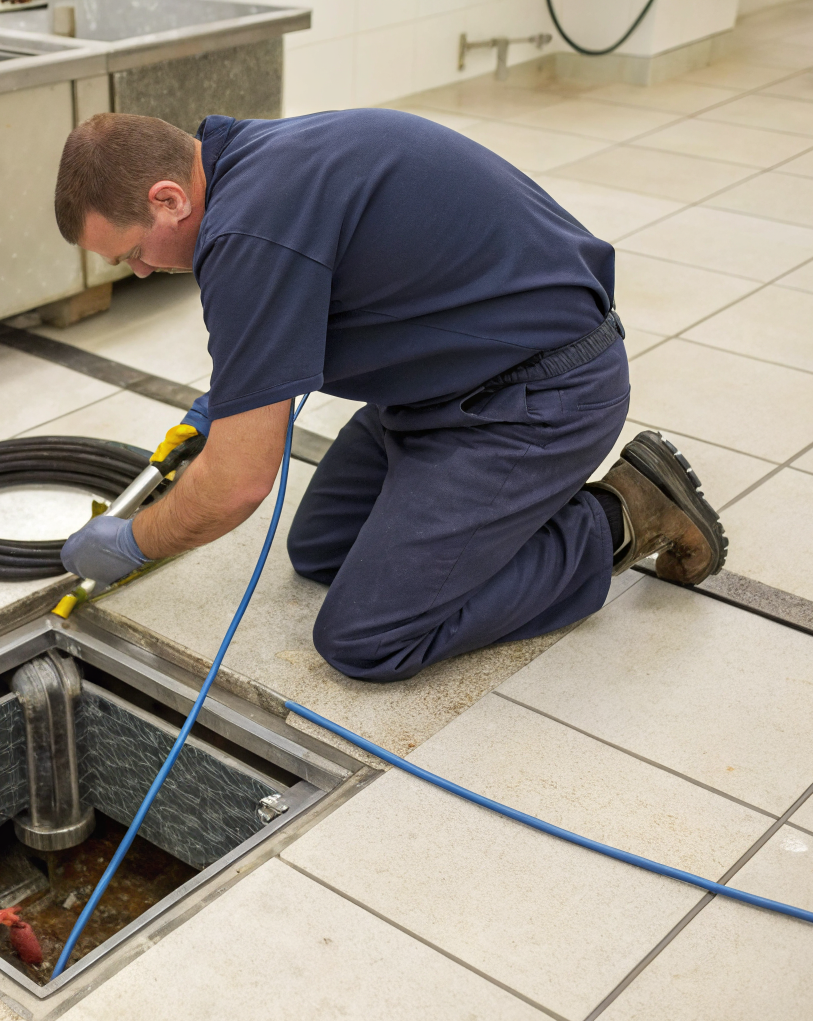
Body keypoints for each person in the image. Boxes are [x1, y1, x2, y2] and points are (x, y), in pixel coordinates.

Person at [54, 111, 725, 682]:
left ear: (169, 199)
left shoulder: (245, 233)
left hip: (538, 396)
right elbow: (301, 300)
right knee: (322, 549)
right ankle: (486, 521)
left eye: (132, 251)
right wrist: (232, 396)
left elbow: (237, 486)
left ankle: (624, 513)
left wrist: (136, 541)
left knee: (366, 638)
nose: (141, 271)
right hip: (445, 383)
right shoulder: (254, 162)